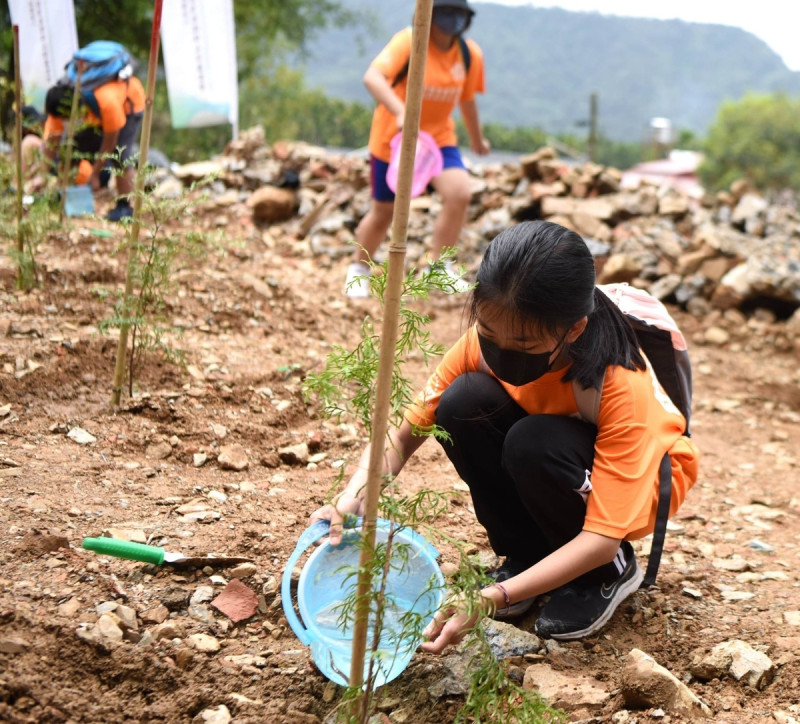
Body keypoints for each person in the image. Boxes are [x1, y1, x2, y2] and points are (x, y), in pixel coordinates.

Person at [311, 220, 700, 650]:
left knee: (534, 443)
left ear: (574, 329)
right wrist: (356, 493)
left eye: (526, 347)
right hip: (554, 446)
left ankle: (604, 578)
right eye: (489, 332)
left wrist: (489, 600)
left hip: (642, 481)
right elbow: (401, 437)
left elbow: (600, 540)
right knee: (461, 403)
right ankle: (527, 555)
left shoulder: (619, 383)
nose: (502, 352)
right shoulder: (487, 339)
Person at [345, 0, 491, 298]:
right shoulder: (408, 42)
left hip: (438, 138)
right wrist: (402, 112)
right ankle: (358, 271)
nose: (452, 21)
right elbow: (372, 77)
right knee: (384, 211)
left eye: (458, 14)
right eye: (446, 13)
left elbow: (467, 100)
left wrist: (477, 139)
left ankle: (438, 268)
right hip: (394, 140)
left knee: (459, 193)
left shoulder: (468, 54)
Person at [41, 68, 145, 221]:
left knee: (121, 154)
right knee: (68, 149)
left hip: (129, 104)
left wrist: (95, 174)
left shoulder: (106, 101)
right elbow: (52, 142)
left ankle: (125, 205)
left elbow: (110, 142)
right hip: (94, 115)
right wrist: (41, 175)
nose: (64, 122)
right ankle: (66, 197)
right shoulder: (59, 106)